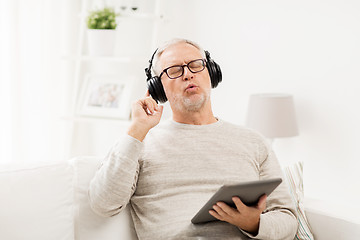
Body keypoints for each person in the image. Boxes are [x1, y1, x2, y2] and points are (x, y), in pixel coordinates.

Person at [88, 38, 298, 240]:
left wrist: (254, 224)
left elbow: (287, 220)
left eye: (196, 65)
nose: (187, 74)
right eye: (174, 70)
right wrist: (137, 129)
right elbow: (103, 204)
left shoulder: (253, 141)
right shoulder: (139, 142)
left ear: (211, 73)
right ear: (158, 88)